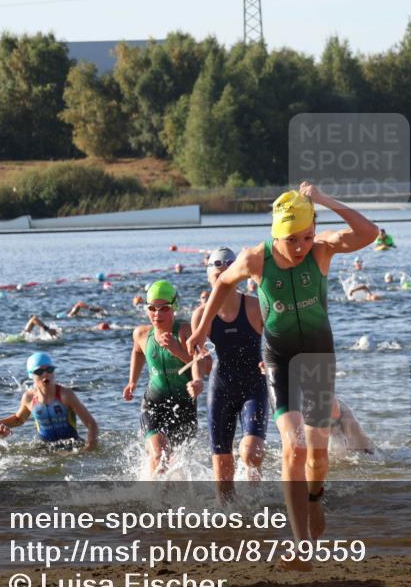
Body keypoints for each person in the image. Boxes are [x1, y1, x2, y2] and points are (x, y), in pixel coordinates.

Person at [187, 183, 378, 560]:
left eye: (307, 236)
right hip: (280, 356)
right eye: (293, 239)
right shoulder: (256, 259)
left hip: (319, 357)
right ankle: (301, 544)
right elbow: (223, 284)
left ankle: (314, 497)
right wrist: (200, 328)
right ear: (277, 234)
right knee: (294, 445)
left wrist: (323, 200)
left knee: (318, 456)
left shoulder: (322, 250)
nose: (301, 246)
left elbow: (369, 233)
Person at [191, 247, 269, 500]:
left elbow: (278, 339)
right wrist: (196, 377)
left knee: (251, 453)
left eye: (227, 270)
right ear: (209, 276)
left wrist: (271, 360)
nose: (222, 275)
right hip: (221, 387)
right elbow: (198, 358)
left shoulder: (256, 307)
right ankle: (228, 520)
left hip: (253, 385)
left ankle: (255, 497)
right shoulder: (201, 315)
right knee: (223, 471)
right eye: (217, 270)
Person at [123, 280, 200, 475]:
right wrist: (132, 381)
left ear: (174, 307)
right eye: (152, 308)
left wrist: (177, 350)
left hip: (184, 405)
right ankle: (153, 499)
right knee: (159, 453)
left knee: (176, 460)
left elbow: (205, 364)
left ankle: (171, 498)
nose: (157, 314)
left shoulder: (185, 331)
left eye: (164, 308)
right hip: (153, 403)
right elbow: (137, 352)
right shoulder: (141, 334)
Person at [0, 352, 99, 451]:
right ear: (31, 375)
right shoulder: (29, 398)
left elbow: (91, 424)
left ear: (54, 372)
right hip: (45, 449)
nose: (45, 374)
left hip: (72, 446)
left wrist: (88, 449)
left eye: (49, 370)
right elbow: (19, 419)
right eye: (39, 372)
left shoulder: (66, 395)